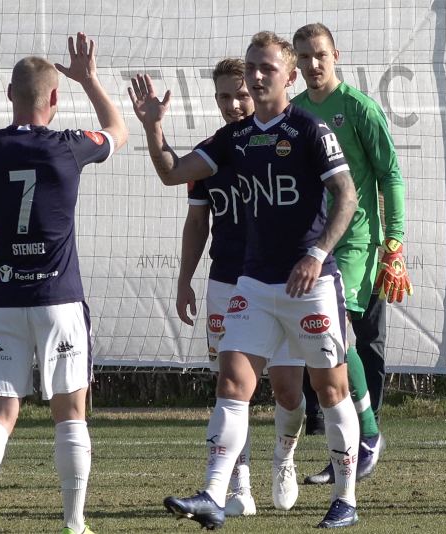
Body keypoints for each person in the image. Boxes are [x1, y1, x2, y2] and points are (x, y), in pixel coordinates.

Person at [129, 31, 361, 529]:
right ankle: (214, 494)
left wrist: (318, 255)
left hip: (310, 284)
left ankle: (345, 500)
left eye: (267, 69)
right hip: (252, 285)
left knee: (331, 389)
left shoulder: (310, 130)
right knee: (233, 384)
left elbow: (347, 197)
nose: (256, 77)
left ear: (289, 75)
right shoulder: (231, 140)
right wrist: (153, 129)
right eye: (252, 67)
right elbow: (172, 172)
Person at [0, 32, 128, 534]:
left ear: (10, 95)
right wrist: (89, 78)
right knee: (71, 414)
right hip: (59, 299)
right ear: (54, 99)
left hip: (4, 299)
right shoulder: (70, 147)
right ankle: (74, 523)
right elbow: (117, 129)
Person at [171, 57, 307, 516]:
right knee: (232, 389)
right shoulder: (211, 153)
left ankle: (284, 459)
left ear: (256, 87)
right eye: (225, 96)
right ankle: (237, 486)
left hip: (282, 281)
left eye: (241, 94)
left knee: (288, 390)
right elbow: (196, 222)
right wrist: (185, 280)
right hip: (227, 282)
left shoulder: (291, 139)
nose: (234, 104)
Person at [288, 22, 410, 484]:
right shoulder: (295, 111)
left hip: (357, 241)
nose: (312, 64)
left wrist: (394, 242)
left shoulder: (359, 108)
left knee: (338, 333)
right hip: (312, 244)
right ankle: (348, 446)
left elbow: (390, 175)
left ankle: (369, 438)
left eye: (319, 54)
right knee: (322, 342)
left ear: (335, 55)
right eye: (303, 57)